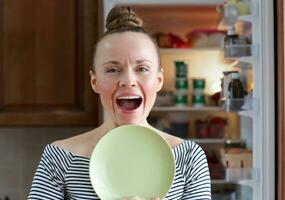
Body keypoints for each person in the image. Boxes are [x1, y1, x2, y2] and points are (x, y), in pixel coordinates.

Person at [28, 6, 211, 200]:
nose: (128, 80)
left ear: (158, 81)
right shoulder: (59, 157)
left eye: (142, 68)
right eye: (113, 70)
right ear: (95, 82)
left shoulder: (188, 158)